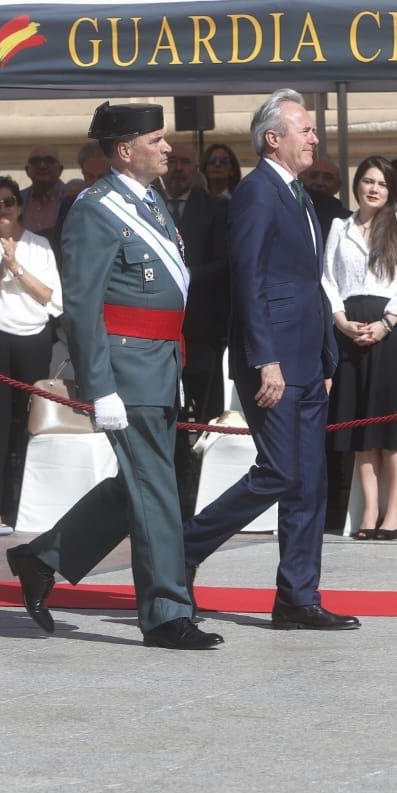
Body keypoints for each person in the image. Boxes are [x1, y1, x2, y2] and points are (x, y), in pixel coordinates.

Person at [4, 102, 218, 651]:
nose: (168, 148)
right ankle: (167, 612)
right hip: (126, 367)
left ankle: (43, 557)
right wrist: (100, 387)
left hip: (160, 361)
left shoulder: (150, 201)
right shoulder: (96, 209)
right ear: (125, 150)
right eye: (157, 139)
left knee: (138, 486)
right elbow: (82, 304)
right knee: (155, 488)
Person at [185, 89, 358, 631]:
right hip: (275, 362)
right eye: (304, 129)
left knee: (310, 482)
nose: (314, 138)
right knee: (279, 472)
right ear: (272, 138)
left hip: (308, 361)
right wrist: (266, 361)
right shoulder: (258, 193)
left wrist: (327, 358)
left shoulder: (298, 194)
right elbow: (252, 282)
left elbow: (310, 285)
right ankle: (179, 553)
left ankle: (297, 597)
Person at [323, 156, 397, 539]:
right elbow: (328, 279)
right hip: (351, 329)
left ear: (391, 191)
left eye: (381, 184)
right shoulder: (340, 227)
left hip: (394, 331)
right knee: (361, 430)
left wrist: (386, 324)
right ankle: (369, 510)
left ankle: (395, 509)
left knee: (391, 429)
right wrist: (340, 320)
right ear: (356, 185)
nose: (373, 189)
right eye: (367, 181)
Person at [0, 176, 63, 531]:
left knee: (28, 423)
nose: (2, 210)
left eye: (8, 202)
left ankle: (24, 503)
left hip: (33, 338)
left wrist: (16, 269)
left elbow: (47, 297)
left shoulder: (40, 246)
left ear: (18, 206)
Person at [164, 137, 232, 520]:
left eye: (185, 163)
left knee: (206, 415)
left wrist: (186, 276)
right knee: (167, 414)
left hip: (202, 330)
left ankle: (202, 490)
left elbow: (226, 264)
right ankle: (172, 489)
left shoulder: (215, 209)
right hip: (159, 331)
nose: (177, 168)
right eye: (172, 161)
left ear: (196, 169)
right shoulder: (148, 205)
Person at [18, 145, 68, 239]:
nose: (42, 165)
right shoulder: (16, 200)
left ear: (60, 169)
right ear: (27, 170)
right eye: (35, 161)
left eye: (49, 161)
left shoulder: (73, 198)